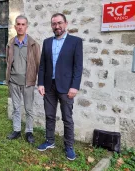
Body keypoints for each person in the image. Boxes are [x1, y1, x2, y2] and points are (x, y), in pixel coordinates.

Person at [37, 13, 83, 161]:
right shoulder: (47, 42)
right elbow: (43, 65)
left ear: (66, 23)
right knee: (49, 115)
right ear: (51, 25)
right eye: (54, 24)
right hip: (49, 86)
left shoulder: (75, 42)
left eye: (59, 23)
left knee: (67, 118)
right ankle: (49, 141)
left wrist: (74, 86)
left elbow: (78, 67)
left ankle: (69, 146)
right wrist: (41, 83)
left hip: (67, 87)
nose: (57, 26)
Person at [5, 15, 40, 143]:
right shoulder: (10, 43)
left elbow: (38, 64)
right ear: (15, 26)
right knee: (16, 107)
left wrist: (39, 81)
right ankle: (17, 130)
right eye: (18, 24)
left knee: (29, 108)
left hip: (28, 82)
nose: (20, 27)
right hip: (13, 81)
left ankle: (29, 132)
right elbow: (8, 62)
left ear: (26, 26)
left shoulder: (33, 44)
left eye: (23, 24)